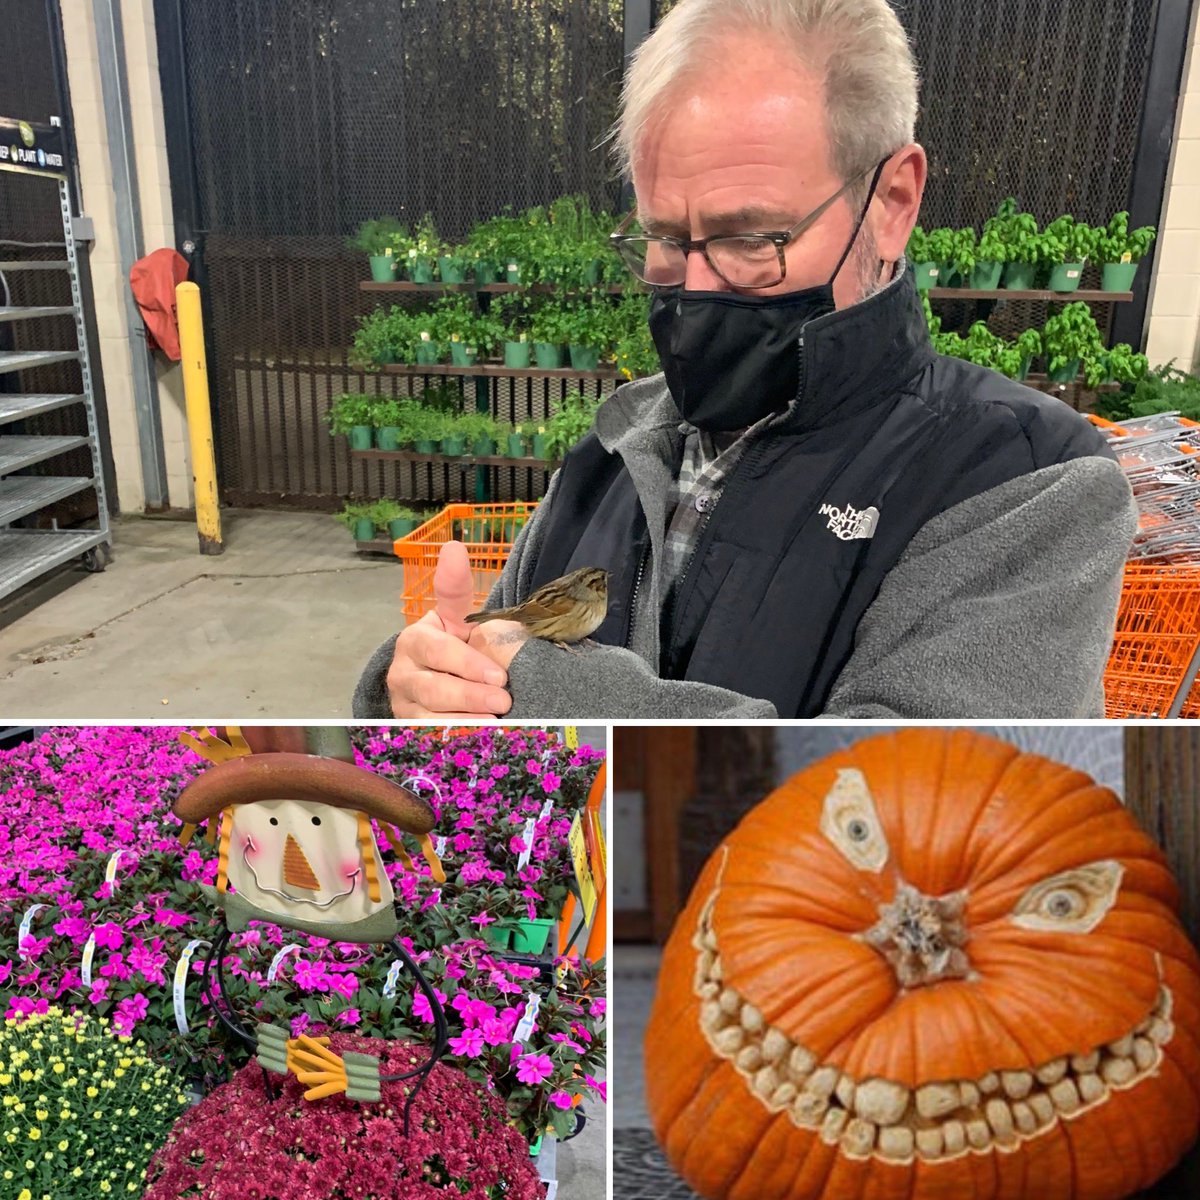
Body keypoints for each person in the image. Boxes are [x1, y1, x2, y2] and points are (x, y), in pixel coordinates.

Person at [353, 0, 1136, 720]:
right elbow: (488, 661)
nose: (695, 287)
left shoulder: (1029, 483)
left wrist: (549, 691)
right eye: (665, 238)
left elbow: (897, 809)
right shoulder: (615, 452)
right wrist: (414, 687)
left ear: (892, 204)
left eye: (748, 239)